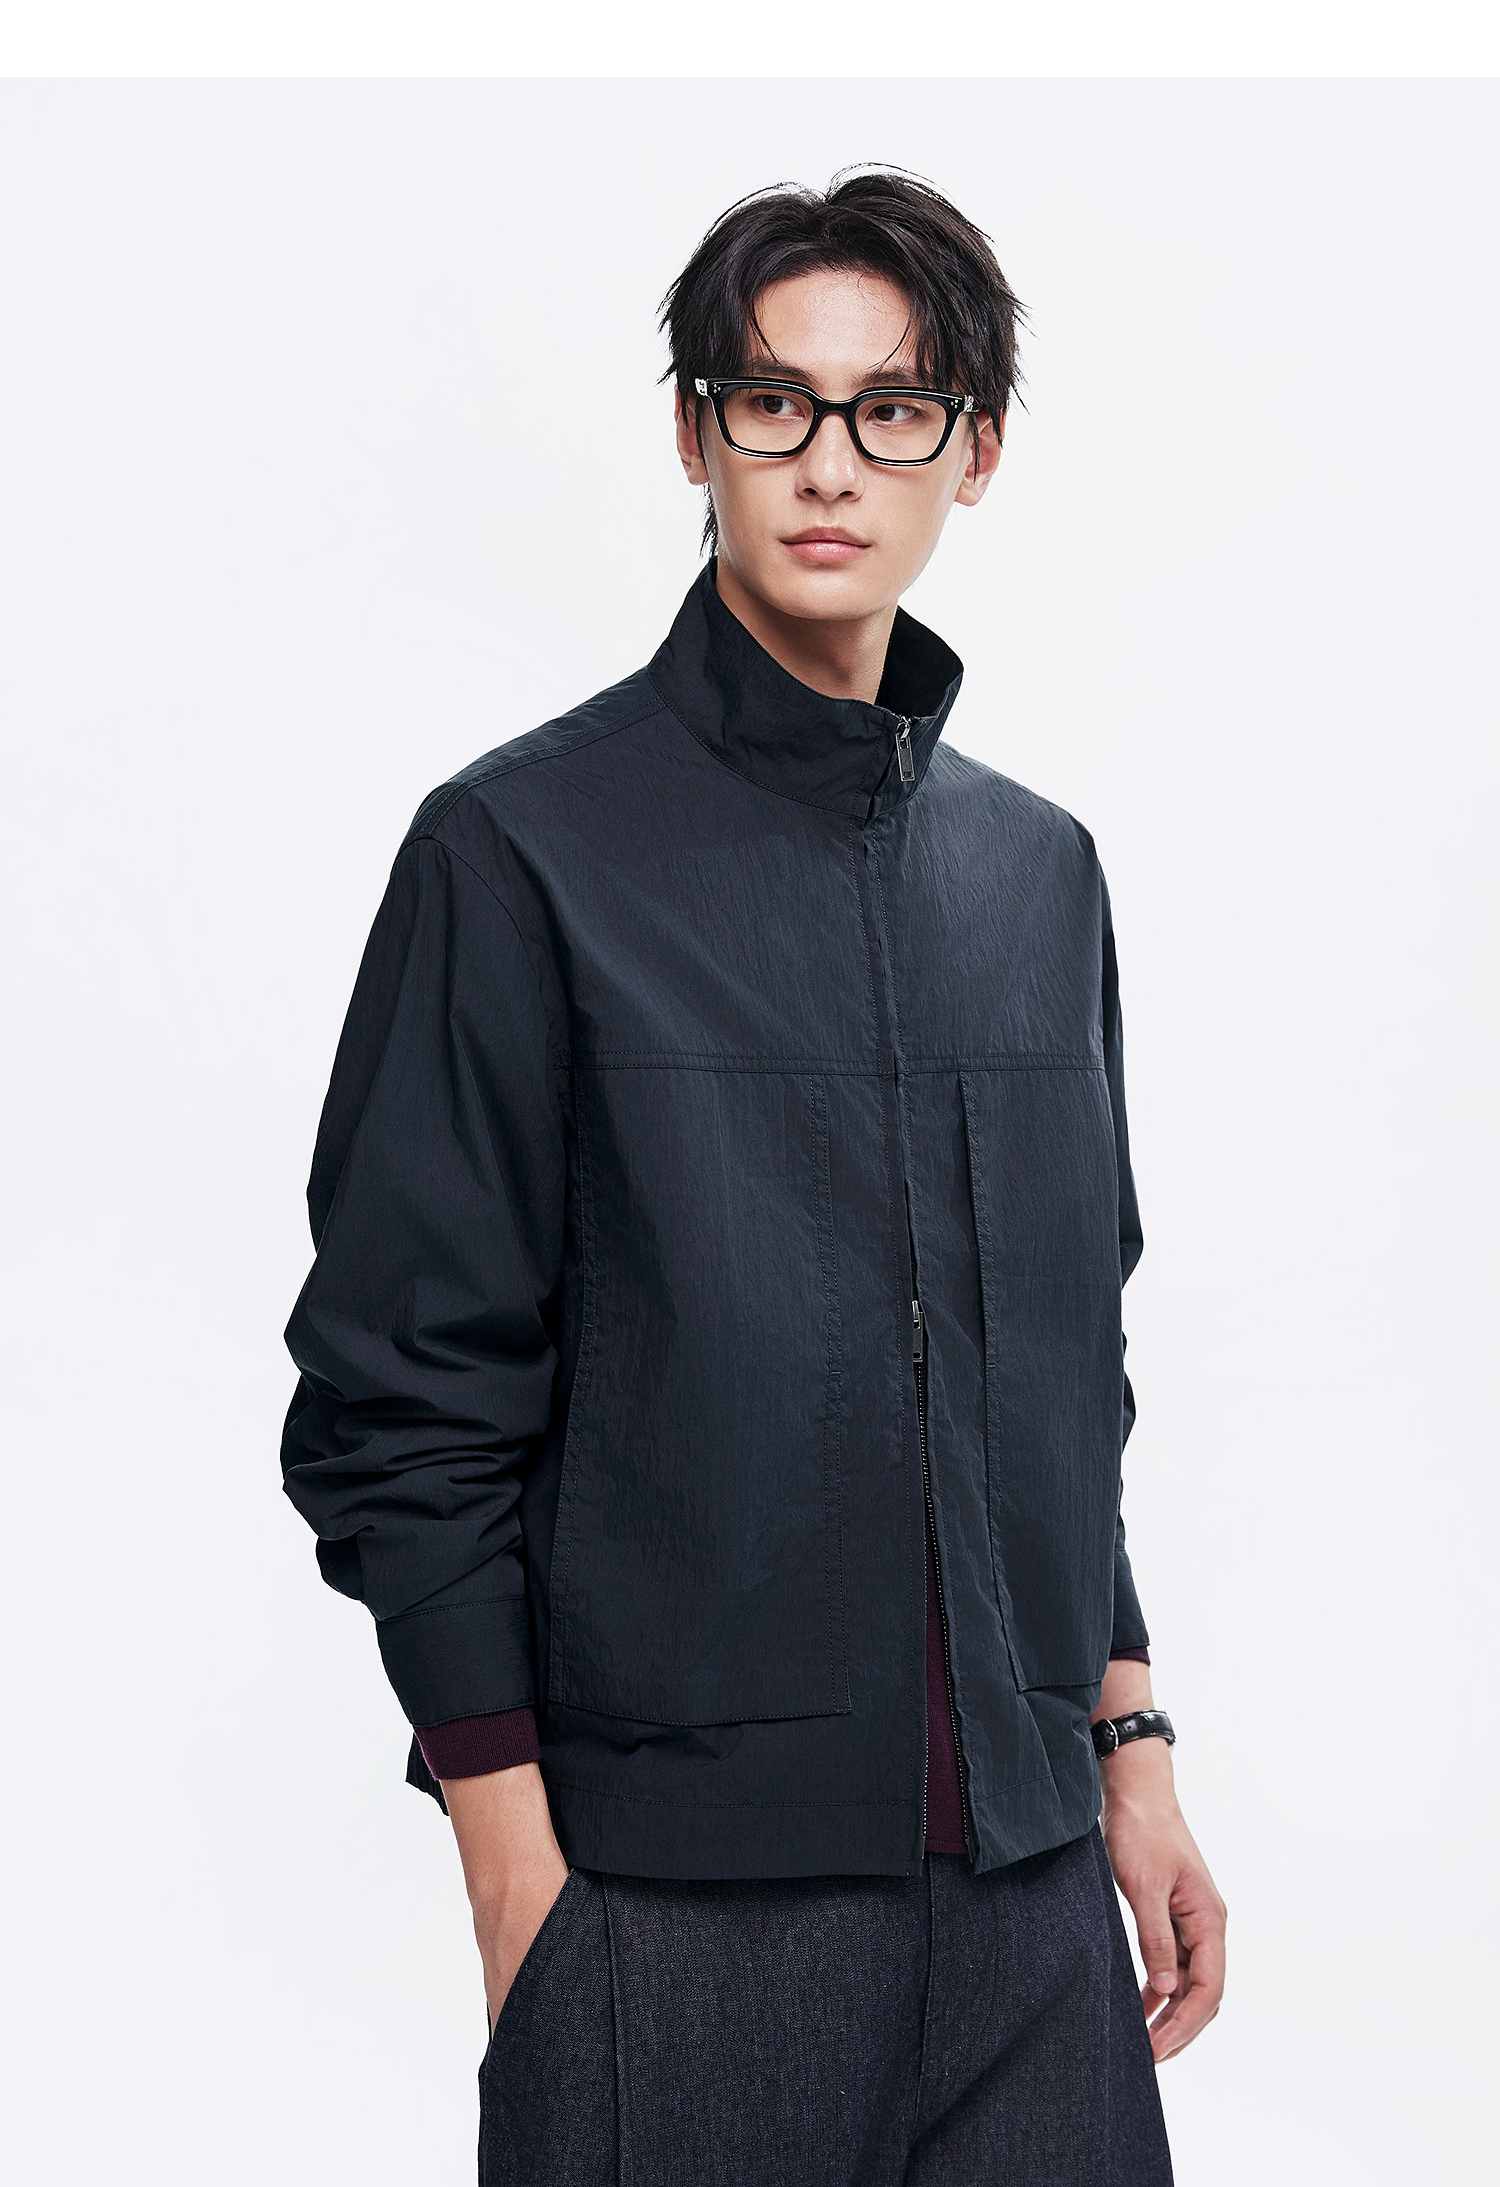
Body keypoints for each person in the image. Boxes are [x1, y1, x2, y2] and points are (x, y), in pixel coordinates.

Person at [281, 169, 1226, 2184]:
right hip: (673, 1917)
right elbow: (397, 1394)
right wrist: (517, 1883)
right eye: (775, 400)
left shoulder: (1038, 874)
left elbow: (1062, 1369)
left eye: (896, 409)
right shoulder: (518, 852)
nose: (830, 461)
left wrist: (1128, 1744)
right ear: (694, 431)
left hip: (1033, 1913)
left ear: (974, 451)